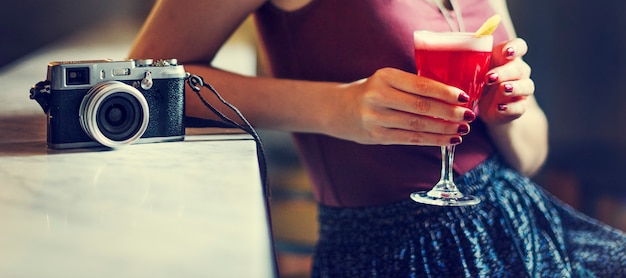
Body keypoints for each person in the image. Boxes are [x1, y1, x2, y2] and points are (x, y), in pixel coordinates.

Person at [129, 0, 626, 276]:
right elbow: (141, 78)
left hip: (518, 226)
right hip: (389, 253)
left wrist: (506, 113)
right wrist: (337, 107)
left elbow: (532, 154)